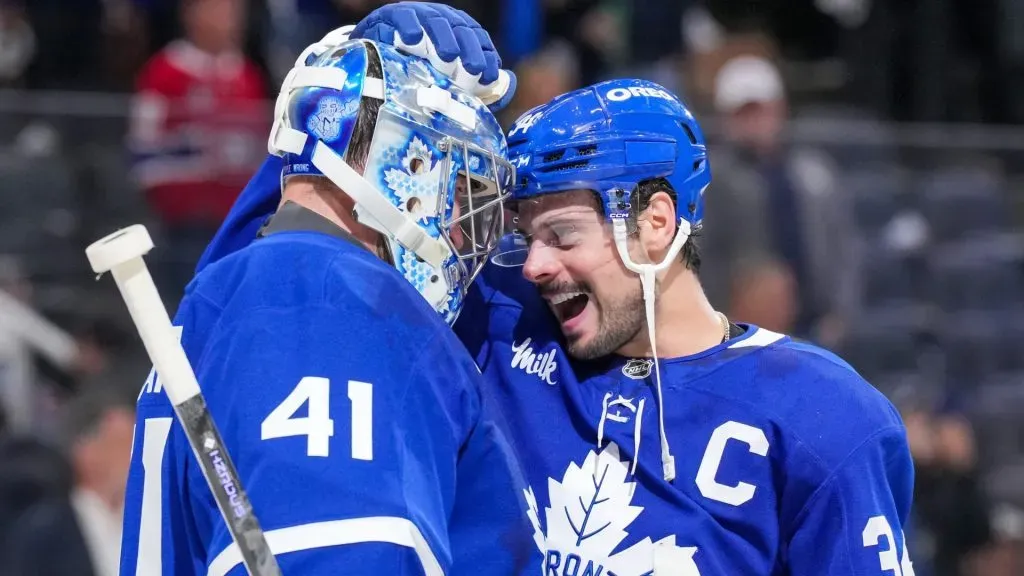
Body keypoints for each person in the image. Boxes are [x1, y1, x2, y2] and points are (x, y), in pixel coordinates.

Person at [191, 4, 916, 574]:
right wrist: (342, 110)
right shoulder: (494, 322)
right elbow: (265, 295)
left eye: (562, 236)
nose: (534, 264)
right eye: (524, 235)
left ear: (656, 224)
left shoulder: (824, 418)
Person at [118, 34, 534, 575]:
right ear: (408, 167)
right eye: (457, 195)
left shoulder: (248, 291)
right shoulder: (331, 307)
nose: (461, 230)